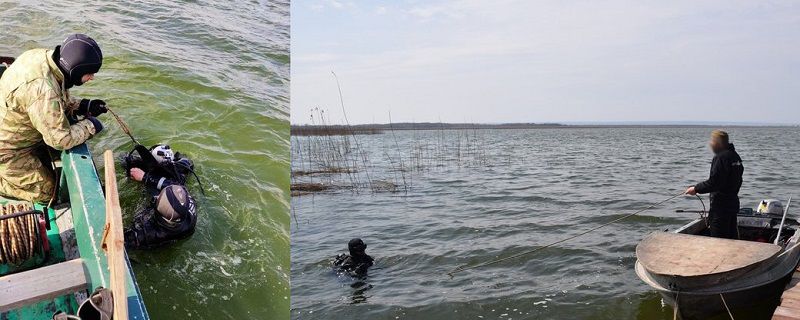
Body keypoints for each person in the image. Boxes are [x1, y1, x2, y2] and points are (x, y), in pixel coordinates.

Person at [0, 34, 107, 203]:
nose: (92, 77)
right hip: (8, 152)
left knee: (54, 175)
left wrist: (82, 105)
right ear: (75, 70)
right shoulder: (43, 89)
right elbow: (61, 140)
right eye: (89, 73)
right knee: (50, 194)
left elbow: (53, 100)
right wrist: (90, 126)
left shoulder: (42, 58)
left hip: (22, 133)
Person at [123, 145, 198, 249]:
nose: (156, 197)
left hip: (158, 240)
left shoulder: (149, 233)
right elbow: (178, 185)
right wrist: (146, 177)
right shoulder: (186, 204)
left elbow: (121, 241)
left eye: (158, 198)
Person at [685, 130, 744, 239]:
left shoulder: (721, 157)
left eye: (712, 141)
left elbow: (714, 183)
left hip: (720, 208)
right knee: (732, 237)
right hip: (733, 204)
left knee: (718, 240)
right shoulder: (735, 157)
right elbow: (739, 181)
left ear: (718, 143)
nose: (710, 144)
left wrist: (695, 189)